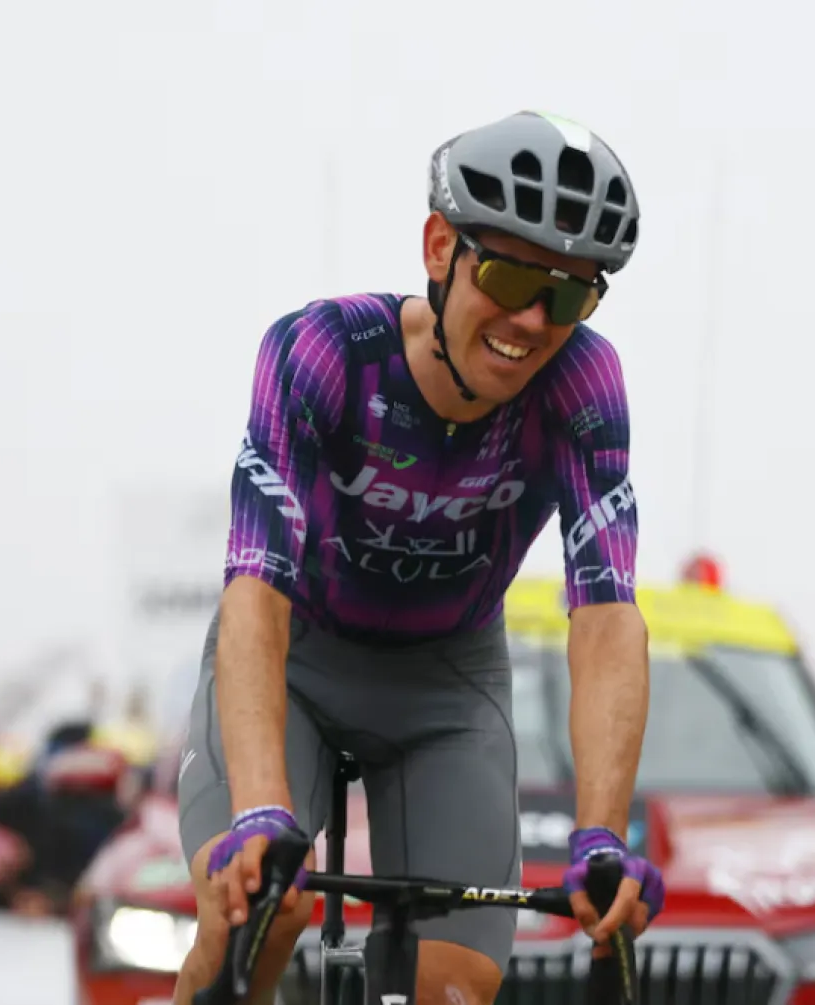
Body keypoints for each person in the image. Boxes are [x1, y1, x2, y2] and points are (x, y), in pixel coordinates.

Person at [173, 110, 660, 1005]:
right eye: (510, 274)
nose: (529, 320)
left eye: (567, 295)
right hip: (298, 663)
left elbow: (606, 614)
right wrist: (261, 810)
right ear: (439, 247)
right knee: (258, 914)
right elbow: (257, 591)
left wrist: (601, 835)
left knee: (453, 990)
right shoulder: (321, 354)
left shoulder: (585, 385)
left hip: (446, 681)